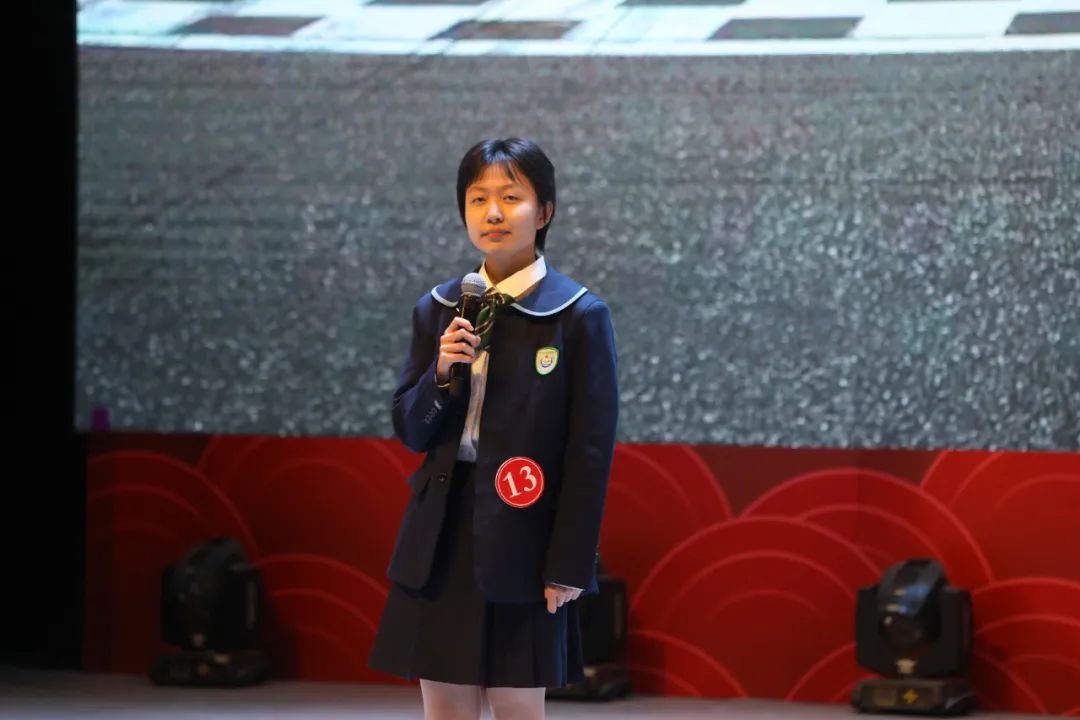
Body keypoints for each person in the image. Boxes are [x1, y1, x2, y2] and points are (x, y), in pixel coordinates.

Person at [368, 137, 619, 720]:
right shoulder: (439, 308)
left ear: (544, 211)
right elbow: (411, 430)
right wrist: (440, 374)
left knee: (517, 706)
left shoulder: (578, 315)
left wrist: (570, 563)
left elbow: (589, 453)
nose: (494, 213)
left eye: (511, 197)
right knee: (445, 708)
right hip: (442, 532)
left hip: (526, 535)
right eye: (478, 199)